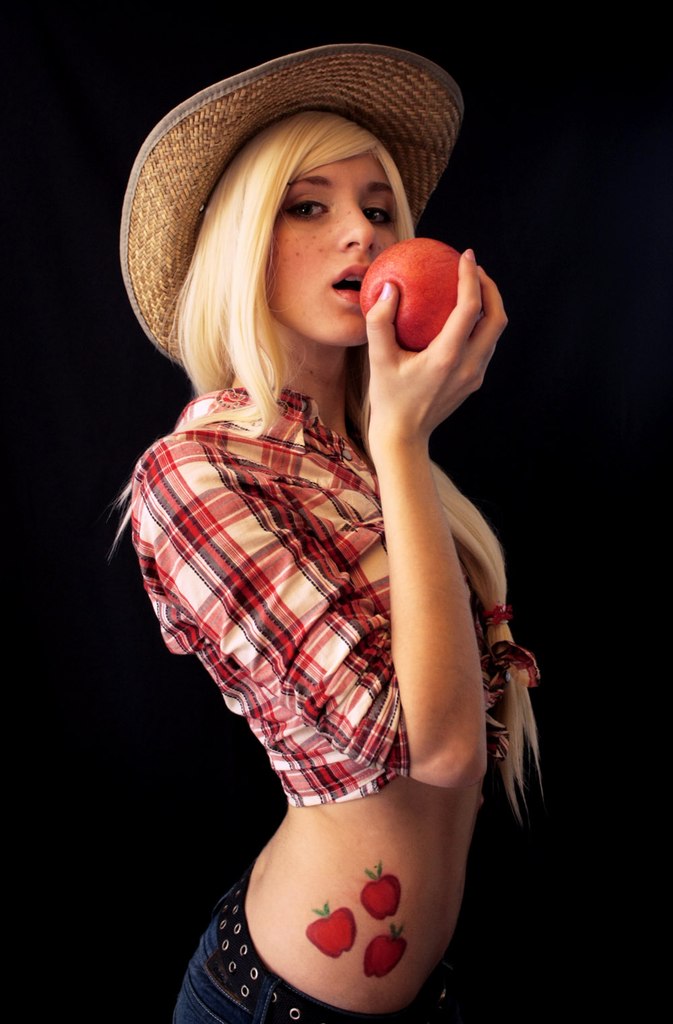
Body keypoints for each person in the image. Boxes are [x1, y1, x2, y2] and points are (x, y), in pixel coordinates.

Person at [118, 42, 541, 1024]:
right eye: (307, 206)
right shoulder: (194, 471)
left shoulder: (363, 454)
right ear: (241, 243)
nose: (359, 231)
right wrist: (403, 438)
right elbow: (435, 749)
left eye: (379, 209)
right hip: (275, 1002)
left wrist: (394, 441)